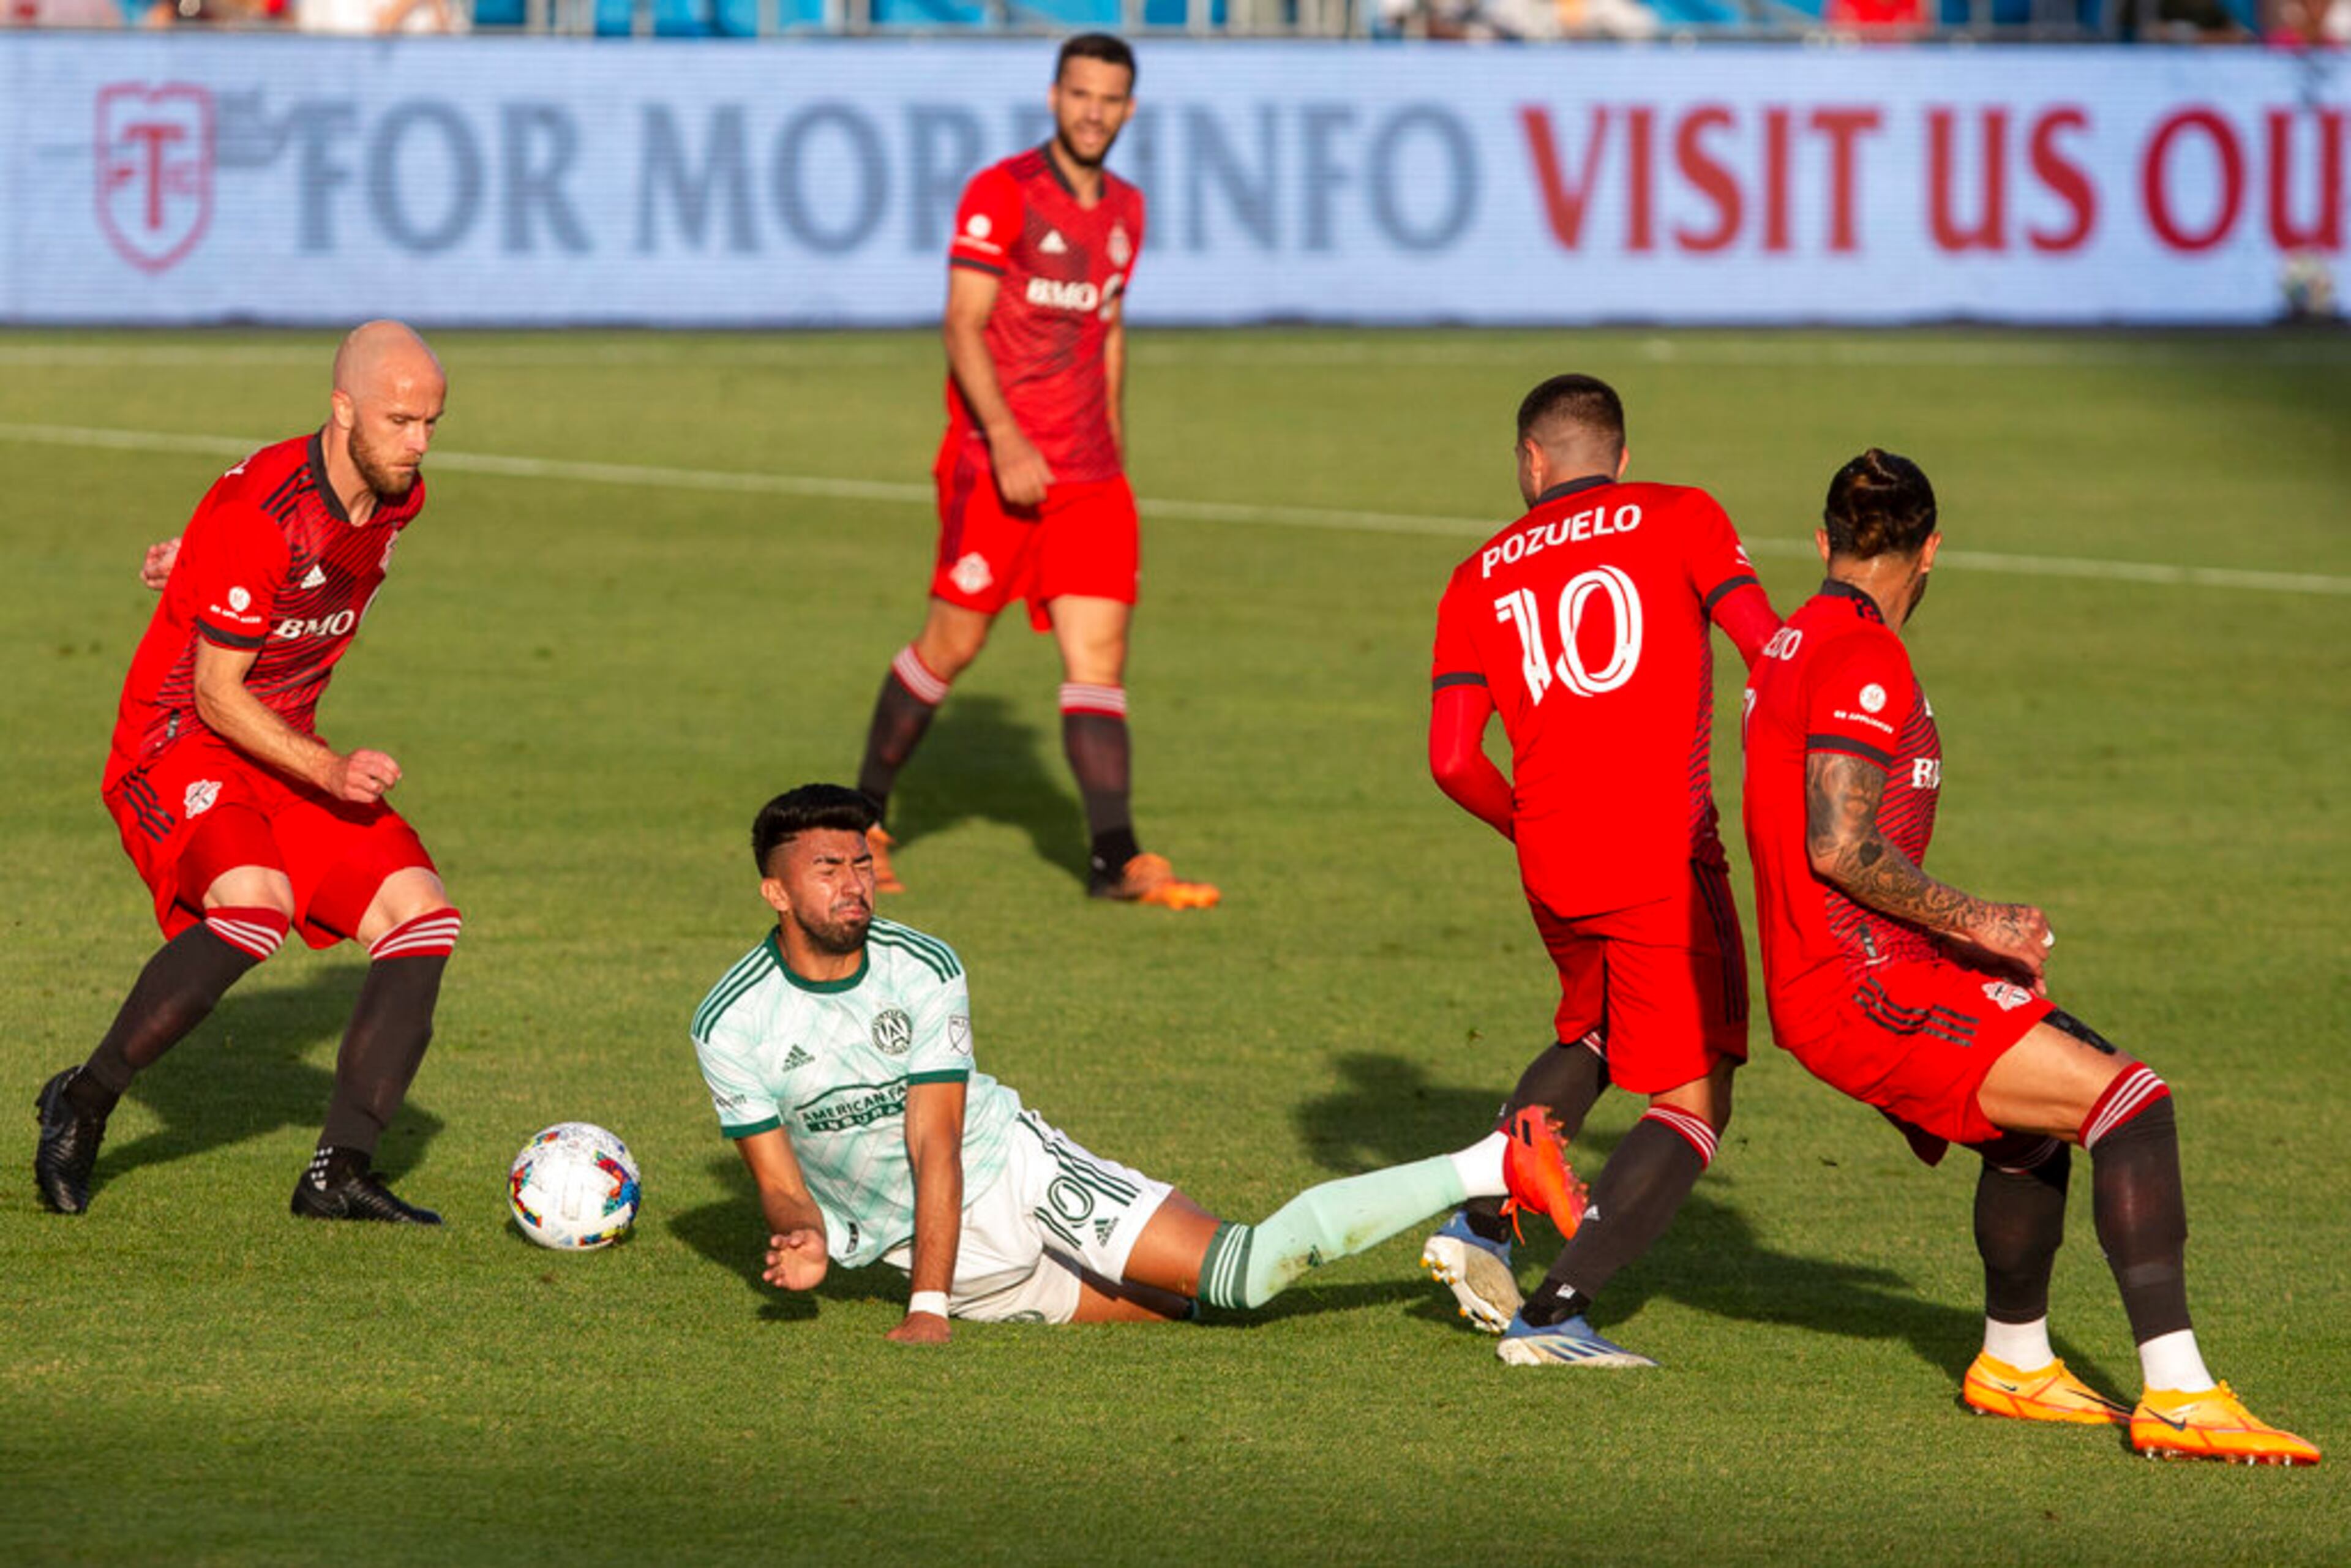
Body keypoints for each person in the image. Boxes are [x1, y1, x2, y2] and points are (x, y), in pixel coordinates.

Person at [1739, 449, 2316, 1465]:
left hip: (1866, 966)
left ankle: (2014, 1360)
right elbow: (1837, 843)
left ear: (1823, 541)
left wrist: (1953, 940)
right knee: (2132, 1103)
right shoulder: (1864, 654)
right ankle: (2179, 1393)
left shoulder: (1790, 641)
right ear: (1933, 552)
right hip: (1856, 984)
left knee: (2029, 1131)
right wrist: (1982, 918)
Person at [691, 785, 1578, 1335]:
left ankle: (1494, 1160)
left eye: (859, 863)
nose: (853, 885)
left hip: (1012, 1174)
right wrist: (800, 1229)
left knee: (1243, 1273)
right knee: (1189, 1313)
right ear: (775, 890)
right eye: (825, 869)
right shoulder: (730, 1023)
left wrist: (924, 1312)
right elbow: (774, 1173)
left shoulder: (922, 965)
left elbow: (938, 1142)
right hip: (952, 1264)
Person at [33, 321, 461, 1225]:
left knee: (422, 916)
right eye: (399, 420)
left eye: (431, 421)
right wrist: (332, 767)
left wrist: (192, 568)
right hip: (182, 737)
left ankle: (338, 1173)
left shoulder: (395, 496)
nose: (419, 443)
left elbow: (291, 571)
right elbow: (219, 693)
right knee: (255, 906)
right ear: (341, 409)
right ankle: (82, 1100)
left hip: (281, 741)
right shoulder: (261, 516)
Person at [1416, 374, 1781, 1366]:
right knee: (1696, 1091)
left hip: (1554, 865)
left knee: (1598, 1028)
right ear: (1618, 455)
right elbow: (1767, 652)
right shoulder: (1681, 514)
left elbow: (1451, 758)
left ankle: (1478, 1221)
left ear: (1533, 463)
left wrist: (1527, 826)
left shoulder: (1476, 574)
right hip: (1663, 856)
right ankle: (1555, 1312)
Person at [850, 34, 1216, 911]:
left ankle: (1113, 858)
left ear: (1129, 109)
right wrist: (1009, 438)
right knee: (954, 643)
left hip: (1091, 478)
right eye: (1080, 93)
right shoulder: (1003, 193)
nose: (1094, 110)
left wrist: (1115, 447)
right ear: (1054, 97)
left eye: (1110, 98)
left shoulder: (1127, 207)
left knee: (1100, 660)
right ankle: (859, 820)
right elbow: (962, 324)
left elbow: (1111, 328)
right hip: (995, 465)